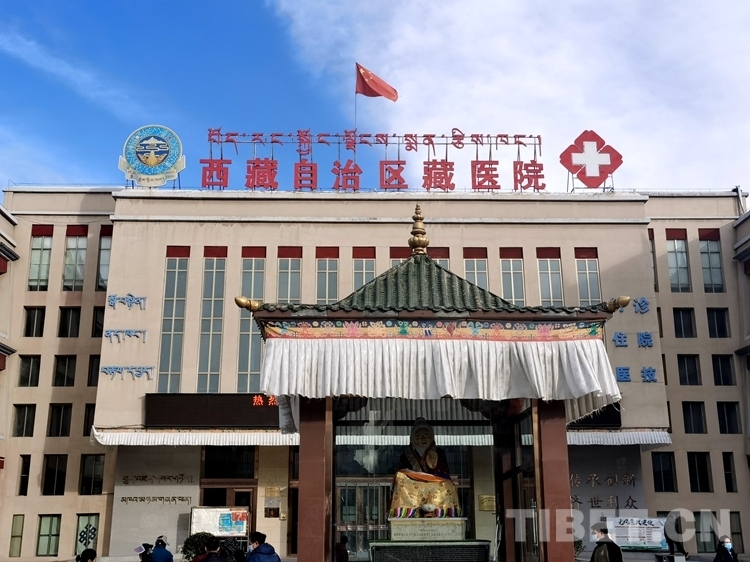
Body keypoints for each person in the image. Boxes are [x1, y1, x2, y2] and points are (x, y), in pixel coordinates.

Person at [389, 417, 460, 517]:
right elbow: (403, 472)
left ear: (432, 437)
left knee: (447, 484)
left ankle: (441, 511)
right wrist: (412, 474)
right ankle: (409, 511)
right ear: (413, 438)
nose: (423, 439)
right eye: (419, 436)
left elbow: (445, 474)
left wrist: (433, 467)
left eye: (427, 435)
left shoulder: (439, 452)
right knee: (400, 479)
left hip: (435, 483)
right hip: (414, 484)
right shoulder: (406, 454)